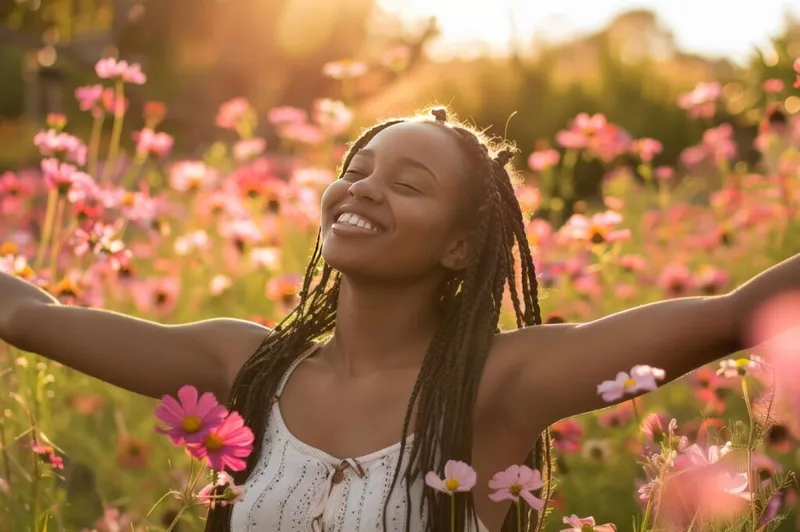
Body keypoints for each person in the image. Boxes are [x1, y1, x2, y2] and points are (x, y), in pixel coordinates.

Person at [0, 107, 798, 532]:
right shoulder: (245, 364)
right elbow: (29, 316)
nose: (363, 188)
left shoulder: (498, 384)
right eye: (356, 169)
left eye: (408, 183)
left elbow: (736, 315)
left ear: (460, 247)